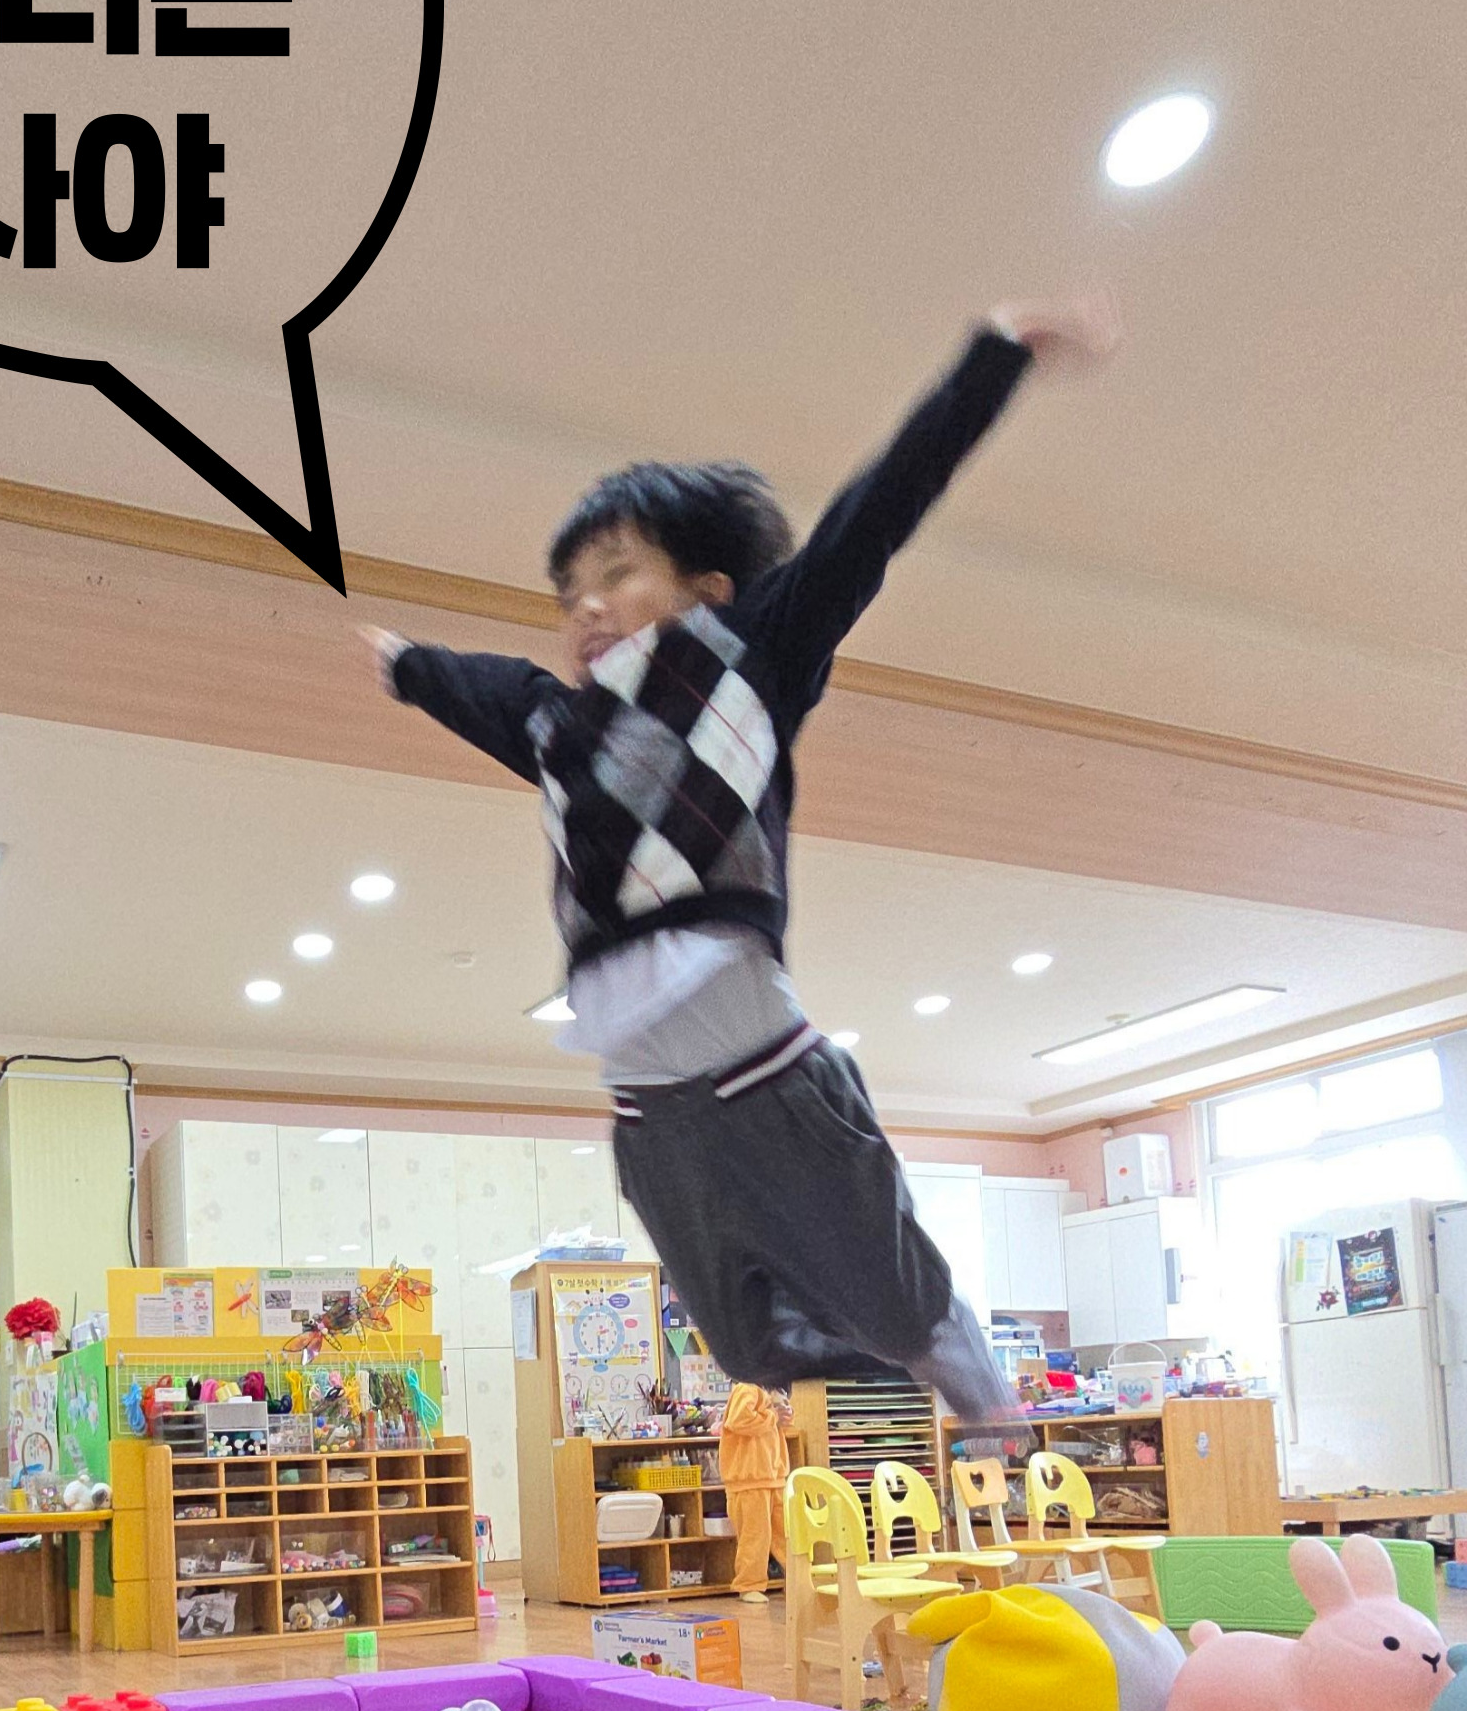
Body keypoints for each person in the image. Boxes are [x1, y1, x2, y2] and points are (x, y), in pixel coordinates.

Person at [363, 300, 1117, 1422]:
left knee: (892, 1305)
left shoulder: (749, 657)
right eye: (569, 593)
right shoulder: (556, 724)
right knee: (746, 1347)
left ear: (708, 588)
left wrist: (992, 360)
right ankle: (879, 1354)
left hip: (765, 1070)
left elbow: (872, 518)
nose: (585, 606)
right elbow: (481, 688)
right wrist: (405, 666)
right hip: (648, 1109)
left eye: (616, 572)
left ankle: (946, 1347)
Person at [716, 1379, 793, 1597]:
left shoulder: (771, 1390)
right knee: (755, 1537)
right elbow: (740, 1420)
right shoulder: (747, 1389)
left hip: (773, 1476)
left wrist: (784, 1415)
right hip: (749, 1478)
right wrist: (773, 1416)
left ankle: (798, 1579)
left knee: (786, 1534)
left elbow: (778, 1425)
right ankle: (749, 1585)